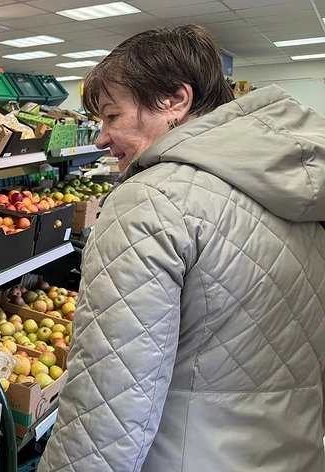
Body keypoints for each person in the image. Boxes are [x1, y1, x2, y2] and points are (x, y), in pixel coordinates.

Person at [39, 24, 325, 471]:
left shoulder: (149, 201)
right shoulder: (301, 189)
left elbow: (109, 401)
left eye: (112, 116)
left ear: (175, 100)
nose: (100, 138)